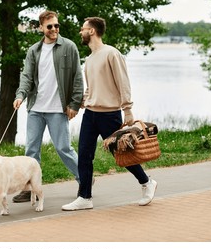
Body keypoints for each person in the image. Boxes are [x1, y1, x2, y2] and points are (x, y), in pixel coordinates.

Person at [61, 17, 157, 211]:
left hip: (109, 114)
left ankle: (147, 183)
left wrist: (127, 109)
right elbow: (91, 88)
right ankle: (85, 198)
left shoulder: (111, 53)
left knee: (121, 154)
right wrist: (81, 103)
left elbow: (123, 82)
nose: (80, 32)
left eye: (83, 29)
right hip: (90, 114)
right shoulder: (89, 59)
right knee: (84, 155)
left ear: (92, 31)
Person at [12, 10, 84, 202]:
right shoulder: (34, 51)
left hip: (58, 109)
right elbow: (26, 77)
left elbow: (77, 77)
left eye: (56, 26)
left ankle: (84, 180)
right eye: (50, 26)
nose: (54, 29)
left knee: (63, 148)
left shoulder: (69, 47)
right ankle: (29, 190)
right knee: (31, 151)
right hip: (35, 108)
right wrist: (20, 95)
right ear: (41, 27)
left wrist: (74, 104)